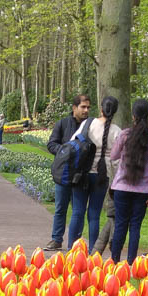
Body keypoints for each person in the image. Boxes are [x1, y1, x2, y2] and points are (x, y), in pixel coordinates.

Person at [110, 99, 148, 264]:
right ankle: (132, 262)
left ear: (133, 116)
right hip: (143, 189)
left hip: (122, 186)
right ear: (147, 115)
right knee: (135, 227)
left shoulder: (125, 134)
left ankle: (114, 261)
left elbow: (113, 156)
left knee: (120, 225)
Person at [68, 96, 121, 251]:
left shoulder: (88, 123)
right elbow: (117, 160)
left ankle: (72, 248)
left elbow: (73, 142)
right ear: (115, 111)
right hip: (102, 175)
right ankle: (93, 251)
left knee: (77, 212)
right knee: (94, 214)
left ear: (101, 109)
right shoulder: (117, 131)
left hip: (82, 173)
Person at [44, 94, 91, 250]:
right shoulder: (63, 124)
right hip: (64, 173)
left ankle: (75, 242)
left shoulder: (91, 126)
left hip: (81, 174)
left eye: (88, 107)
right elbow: (51, 144)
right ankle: (56, 239)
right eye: (83, 107)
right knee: (60, 207)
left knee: (78, 209)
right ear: (74, 108)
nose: (86, 110)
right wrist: (66, 152)